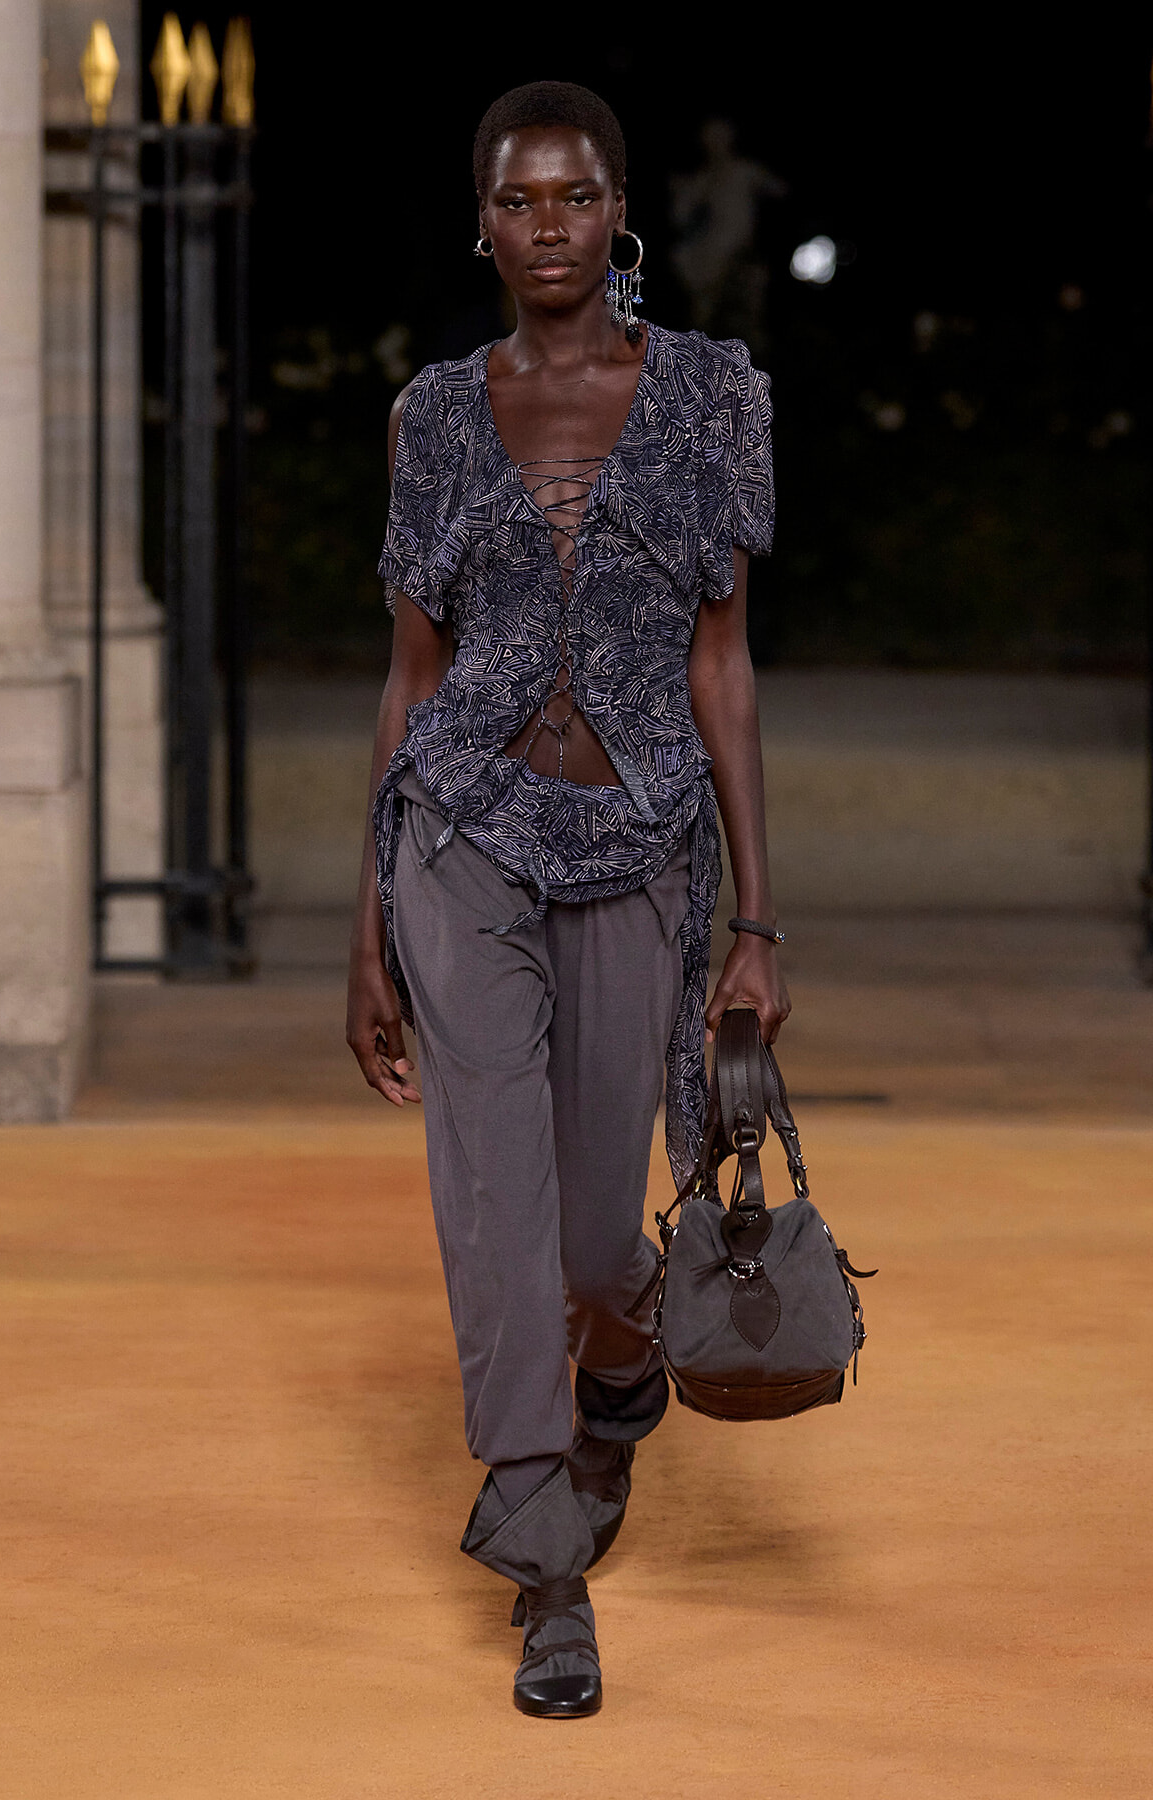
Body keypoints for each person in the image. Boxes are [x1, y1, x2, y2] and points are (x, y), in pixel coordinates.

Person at [346, 80, 789, 1720]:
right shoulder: (434, 416)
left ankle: (619, 1373)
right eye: (518, 201)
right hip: (462, 841)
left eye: (576, 196)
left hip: (642, 844)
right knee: (496, 1211)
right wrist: (366, 926)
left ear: (621, 214)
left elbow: (726, 666)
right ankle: (545, 1563)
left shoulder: (713, 401)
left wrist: (757, 922)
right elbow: (410, 678)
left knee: (607, 1233)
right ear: (484, 221)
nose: (548, 225)